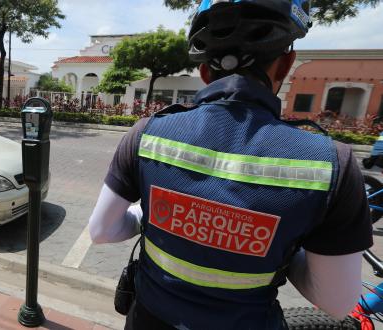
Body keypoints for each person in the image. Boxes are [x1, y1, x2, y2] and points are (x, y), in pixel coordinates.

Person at [88, 1, 373, 329]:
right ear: (286, 64)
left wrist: (157, 217)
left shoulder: (148, 133)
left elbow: (101, 230)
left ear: (205, 72)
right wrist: (274, 245)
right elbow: (337, 302)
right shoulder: (332, 163)